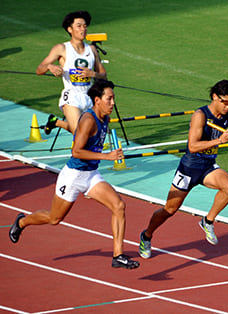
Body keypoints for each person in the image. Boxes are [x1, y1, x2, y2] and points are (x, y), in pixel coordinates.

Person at [9, 80, 139, 269]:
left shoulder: (106, 119)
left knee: (118, 206)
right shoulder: (88, 120)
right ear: (97, 100)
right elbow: (76, 152)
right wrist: (107, 156)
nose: (113, 103)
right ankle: (22, 222)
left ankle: (118, 255)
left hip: (91, 175)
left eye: (113, 99)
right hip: (73, 176)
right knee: (54, 219)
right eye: (109, 99)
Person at [139, 80, 228, 259]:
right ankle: (146, 235)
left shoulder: (227, 114)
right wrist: (219, 141)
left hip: (208, 167)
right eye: (224, 102)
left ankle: (207, 221)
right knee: (169, 210)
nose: (227, 107)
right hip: (189, 168)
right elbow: (192, 146)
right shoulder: (200, 115)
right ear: (215, 97)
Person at [36, 10, 107, 135]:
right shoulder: (62, 48)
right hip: (72, 96)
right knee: (80, 133)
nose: (83, 29)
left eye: (85, 26)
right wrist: (49, 66)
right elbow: (39, 69)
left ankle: (56, 122)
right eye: (79, 26)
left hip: (89, 96)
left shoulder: (92, 50)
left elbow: (104, 76)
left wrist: (93, 74)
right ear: (70, 29)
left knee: (92, 134)